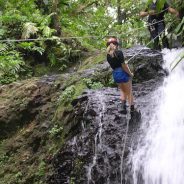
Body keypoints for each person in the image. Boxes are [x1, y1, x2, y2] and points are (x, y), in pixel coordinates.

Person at [106, 37, 134, 114]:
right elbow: (123, 66)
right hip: (122, 73)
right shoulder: (119, 52)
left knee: (122, 90)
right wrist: (130, 73)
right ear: (116, 45)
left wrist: (123, 63)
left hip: (115, 74)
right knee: (129, 92)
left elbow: (114, 66)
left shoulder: (108, 56)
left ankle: (123, 107)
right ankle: (132, 110)